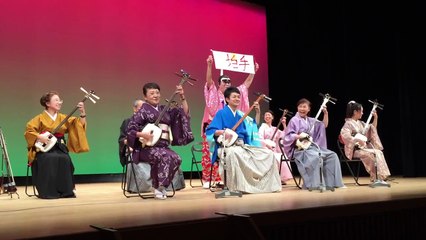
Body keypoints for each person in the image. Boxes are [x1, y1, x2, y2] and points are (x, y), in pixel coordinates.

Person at [205, 87, 281, 194]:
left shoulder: (241, 115)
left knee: (268, 154)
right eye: (234, 97)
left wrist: (258, 112)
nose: (237, 99)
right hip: (227, 147)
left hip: (242, 145)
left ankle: (265, 185)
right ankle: (236, 187)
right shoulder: (221, 113)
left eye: (238, 97)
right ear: (227, 99)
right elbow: (211, 130)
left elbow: (253, 125)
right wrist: (223, 131)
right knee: (233, 154)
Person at [126, 82, 194, 200]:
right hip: (145, 148)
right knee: (163, 156)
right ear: (145, 97)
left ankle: (162, 186)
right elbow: (130, 130)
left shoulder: (164, 109)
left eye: (157, 92)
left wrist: (182, 97)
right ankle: (158, 187)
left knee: (176, 158)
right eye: (152, 93)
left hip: (163, 147)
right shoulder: (143, 111)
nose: (155, 95)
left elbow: (184, 114)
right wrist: (143, 134)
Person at [201, 54, 259, 189]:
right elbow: (209, 82)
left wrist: (253, 71)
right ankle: (209, 178)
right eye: (224, 81)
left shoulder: (233, 96)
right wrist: (209, 65)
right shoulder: (214, 92)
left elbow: (245, 85)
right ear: (219, 83)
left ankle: (231, 179)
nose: (227, 83)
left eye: (229, 81)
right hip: (215, 128)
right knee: (209, 154)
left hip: (232, 131)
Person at [24, 91, 89, 199]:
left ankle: (66, 191)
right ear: (47, 103)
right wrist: (40, 137)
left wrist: (82, 112)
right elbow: (29, 131)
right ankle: (48, 191)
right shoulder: (39, 118)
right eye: (56, 100)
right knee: (49, 158)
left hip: (59, 146)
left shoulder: (63, 118)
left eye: (60, 100)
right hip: (44, 148)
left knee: (65, 159)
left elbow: (79, 125)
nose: (59, 102)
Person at [283, 98, 344, 190]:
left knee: (332, 155)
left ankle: (332, 183)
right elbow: (288, 135)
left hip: (312, 147)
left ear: (309, 109)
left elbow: (324, 125)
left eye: (304, 107)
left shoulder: (311, 120)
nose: (302, 109)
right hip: (300, 149)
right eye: (300, 106)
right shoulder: (294, 120)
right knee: (316, 157)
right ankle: (314, 184)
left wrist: (325, 113)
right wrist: (298, 136)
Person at [340, 101, 390, 183]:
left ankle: (382, 176)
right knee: (371, 154)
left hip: (362, 148)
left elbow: (372, 128)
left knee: (378, 152)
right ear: (355, 112)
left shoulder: (361, 123)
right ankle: (375, 177)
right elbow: (345, 136)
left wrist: (375, 117)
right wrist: (356, 139)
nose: (362, 113)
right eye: (361, 111)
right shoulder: (348, 124)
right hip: (354, 150)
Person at [258, 110, 293, 184]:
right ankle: (273, 178)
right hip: (265, 148)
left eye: (269, 115)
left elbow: (284, 135)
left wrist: (284, 124)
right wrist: (267, 145)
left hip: (274, 149)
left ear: (272, 117)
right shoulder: (262, 127)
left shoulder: (275, 128)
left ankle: (281, 178)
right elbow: (260, 138)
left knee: (283, 157)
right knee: (275, 157)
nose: (267, 116)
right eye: (266, 115)